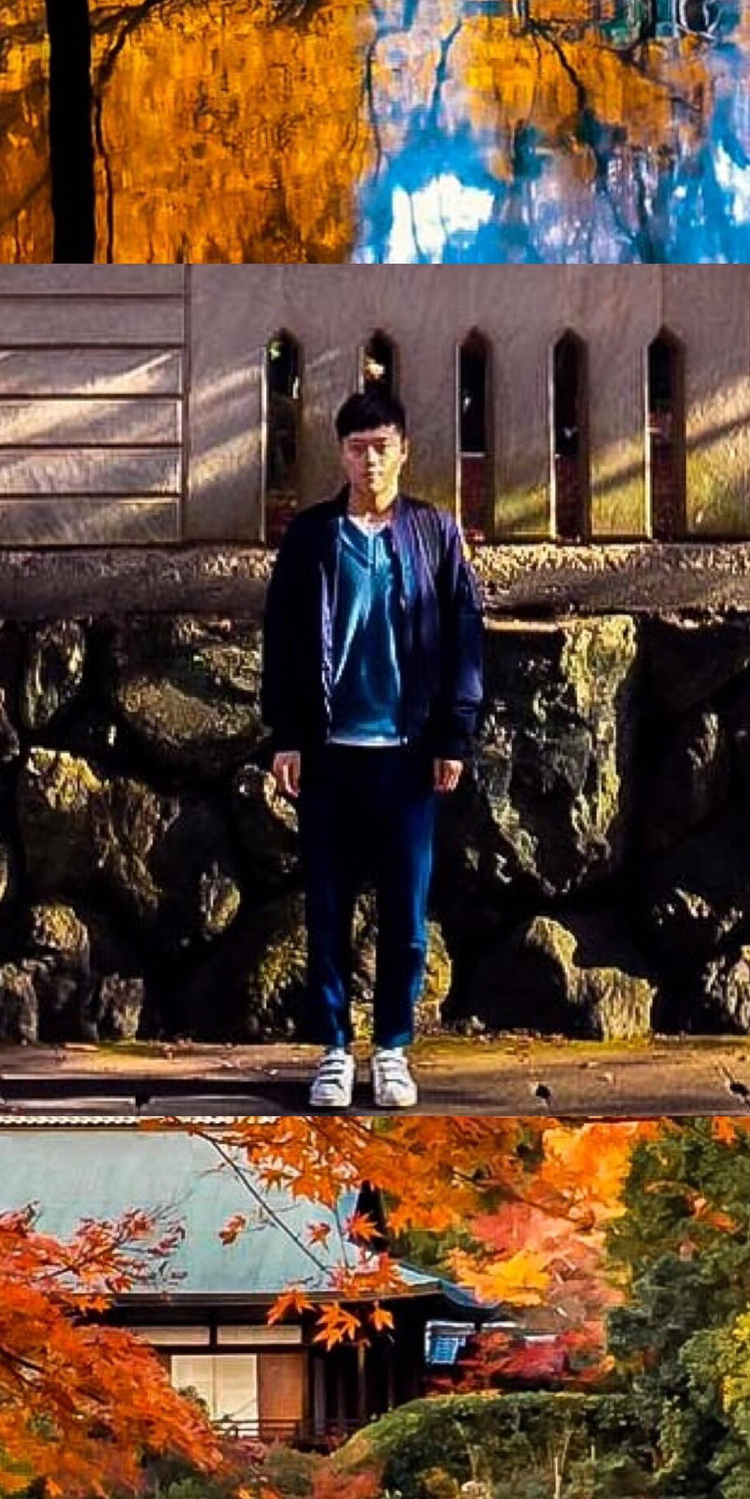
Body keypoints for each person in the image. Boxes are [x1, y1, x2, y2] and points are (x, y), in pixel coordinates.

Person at [262, 387, 485, 1112]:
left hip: (406, 752)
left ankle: (390, 1046)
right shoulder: (312, 537)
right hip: (329, 753)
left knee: (405, 914)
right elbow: (285, 639)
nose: (370, 459)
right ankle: (332, 1048)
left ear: (404, 450)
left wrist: (454, 732)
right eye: (357, 447)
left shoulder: (434, 534)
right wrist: (287, 734)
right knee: (326, 908)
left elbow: (463, 639)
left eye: (382, 445)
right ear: (341, 454)